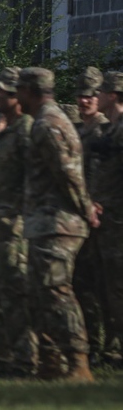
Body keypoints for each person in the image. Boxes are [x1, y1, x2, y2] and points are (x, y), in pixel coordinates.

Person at [17, 67, 99, 382]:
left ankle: (79, 364)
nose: (16, 97)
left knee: (56, 291)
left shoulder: (48, 124)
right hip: (45, 222)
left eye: (19, 90)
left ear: (30, 91)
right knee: (41, 293)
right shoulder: (42, 121)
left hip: (59, 223)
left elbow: (68, 173)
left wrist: (86, 207)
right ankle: (50, 363)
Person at [0, 67, 34, 375]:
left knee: (17, 293)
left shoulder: (27, 130)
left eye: (2, 91)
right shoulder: (6, 132)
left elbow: (33, 179)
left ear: (17, 96)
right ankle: (3, 357)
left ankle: (27, 357)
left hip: (16, 227)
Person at [77, 67, 116, 362]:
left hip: (110, 215)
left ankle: (111, 345)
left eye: (92, 94)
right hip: (88, 216)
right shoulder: (80, 131)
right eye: (81, 94)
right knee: (90, 284)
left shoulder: (107, 129)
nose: (85, 100)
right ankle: (97, 343)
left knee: (110, 284)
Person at [92, 71, 123, 367]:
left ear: (112, 94)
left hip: (118, 220)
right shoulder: (113, 129)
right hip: (110, 219)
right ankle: (113, 347)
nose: (96, 95)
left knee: (117, 285)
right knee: (108, 285)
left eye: (100, 91)